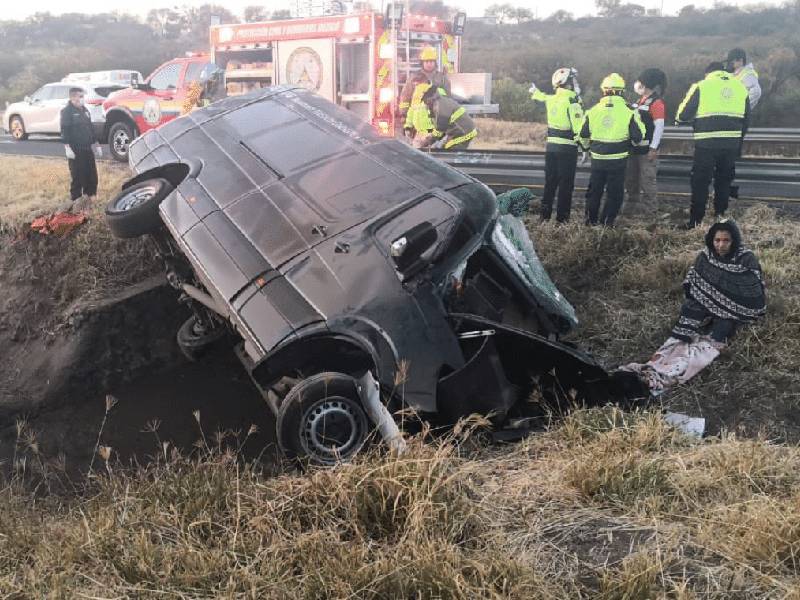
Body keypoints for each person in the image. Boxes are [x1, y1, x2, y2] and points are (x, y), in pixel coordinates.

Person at [621, 220, 766, 396]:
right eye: (717, 240)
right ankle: (654, 368)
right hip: (705, 306)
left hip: (733, 312)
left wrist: (724, 306)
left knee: (711, 341)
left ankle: (670, 374)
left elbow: (752, 293)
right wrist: (707, 300)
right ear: (711, 240)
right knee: (683, 334)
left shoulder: (746, 258)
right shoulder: (706, 255)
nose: (720, 245)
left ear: (734, 240)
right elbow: (693, 280)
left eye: (726, 240)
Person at [676, 62, 749, 228]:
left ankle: (696, 221)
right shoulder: (740, 86)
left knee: (700, 182)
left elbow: (683, 114)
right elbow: (747, 119)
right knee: (724, 181)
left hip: (706, 144)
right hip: (731, 144)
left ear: (708, 73)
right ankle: (720, 218)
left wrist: (679, 121)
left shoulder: (702, 85)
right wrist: (737, 140)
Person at [580, 73, 645, 226]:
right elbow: (638, 137)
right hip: (618, 161)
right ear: (621, 91)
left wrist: (586, 149)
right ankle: (606, 224)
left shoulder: (593, 111)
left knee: (594, 192)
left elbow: (583, 134)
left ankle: (590, 223)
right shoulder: (629, 111)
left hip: (597, 159)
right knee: (614, 194)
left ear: (604, 91)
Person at [528, 67, 585, 223]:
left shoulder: (552, 99)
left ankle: (544, 217)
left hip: (551, 148)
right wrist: (585, 147)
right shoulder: (572, 101)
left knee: (550, 184)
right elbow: (579, 128)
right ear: (568, 83)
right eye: (573, 80)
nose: (576, 83)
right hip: (567, 149)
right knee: (566, 186)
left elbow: (541, 97)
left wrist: (534, 91)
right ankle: (562, 220)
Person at [625, 68, 667, 211]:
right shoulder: (640, 100)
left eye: (639, 82)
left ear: (645, 84)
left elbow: (659, 127)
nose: (636, 84)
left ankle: (650, 209)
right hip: (634, 148)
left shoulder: (656, 103)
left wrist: (653, 148)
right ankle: (632, 206)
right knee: (631, 179)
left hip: (647, 150)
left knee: (647, 180)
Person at [725, 48, 761, 201]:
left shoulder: (747, 74)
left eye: (733, 60)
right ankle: (728, 186)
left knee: (730, 153)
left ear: (740, 60)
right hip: (733, 118)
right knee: (727, 153)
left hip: (738, 119)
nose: (731, 64)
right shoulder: (736, 74)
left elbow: (756, 92)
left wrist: (740, 109)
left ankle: (729, 186)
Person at [60, 87, 101, 207]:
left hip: (87, 147)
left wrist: (96, 143)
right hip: (75, 149)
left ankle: (90, 195)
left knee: (91, 173)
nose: (82, 99)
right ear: (73, 97)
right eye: (80, 96)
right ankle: (75, 199)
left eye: (83, 96)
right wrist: (67, 147)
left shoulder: (84, 110)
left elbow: (90, 128)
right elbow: (64, 130)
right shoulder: (67, 112)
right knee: (77, 174)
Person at [400, 46, 451, 140]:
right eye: (426, 62)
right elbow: (406, 97)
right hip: (418, 123)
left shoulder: (442, 78)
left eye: (431, 61)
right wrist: (404, 115)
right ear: (422, 63)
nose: (429, 64)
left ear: (435, 63)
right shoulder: (414, 78)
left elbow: (448, 99)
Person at [413, 84, 477, 150]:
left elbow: (440, 130)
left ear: (430, 98)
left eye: (425, 101)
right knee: (444, 147)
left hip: (463, 132)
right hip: (459, 130)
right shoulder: (439, 102)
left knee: (449, 151)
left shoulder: (440, 106)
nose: (425, 103)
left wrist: (428, 141)